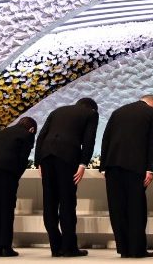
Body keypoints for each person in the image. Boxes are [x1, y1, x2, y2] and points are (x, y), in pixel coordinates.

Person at [100, 95, 153, 259]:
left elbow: (106, 138)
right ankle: (137, 250)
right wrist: (150, 169)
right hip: (136, 167)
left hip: (112, 166)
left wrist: (103, 166)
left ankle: (124, 248)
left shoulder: (118, 112)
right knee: (136, 208)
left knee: (117, 208)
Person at [34, 97, 99, 257]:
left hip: (46, 156)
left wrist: (38, 161)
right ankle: (69, 248)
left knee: (49, 202)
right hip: (67, 157)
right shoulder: (91, 114)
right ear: (92, 108)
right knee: (67, 202)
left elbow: (41, 135)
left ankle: (56, 247)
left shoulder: (57, 111)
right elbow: (89, 140)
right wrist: (83, 163)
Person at [0, 117, 38, 257]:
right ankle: (6, 246)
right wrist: (16, 177)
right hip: (7, 171)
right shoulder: (27, 134)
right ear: (31, 129)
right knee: (6, 207)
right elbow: (22, 159)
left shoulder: (3, 132)